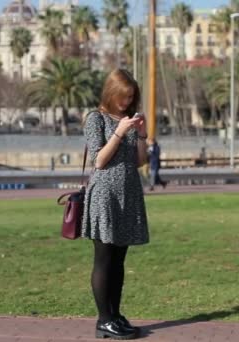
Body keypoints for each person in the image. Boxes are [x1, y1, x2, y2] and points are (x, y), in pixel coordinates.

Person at [82, 69, 149, 340]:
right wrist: (119, 134)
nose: (126, 102)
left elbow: (140, 161)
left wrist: (142, 135)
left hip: (128, 194)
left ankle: (116, 315)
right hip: (105, 195)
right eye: (122, 97)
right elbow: (98, 160)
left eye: (131, 97)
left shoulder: (127, 119)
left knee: (119, 260)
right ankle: (103, 320)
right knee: (104, 259)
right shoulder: (95, 118)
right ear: (111, 93)